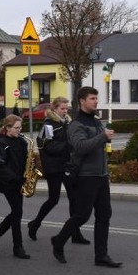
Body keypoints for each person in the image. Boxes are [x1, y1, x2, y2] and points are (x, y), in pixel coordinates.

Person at [50, 86, 122, 268]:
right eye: (92, 98)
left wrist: (104, 139)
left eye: (96, 98)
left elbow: (98, 144)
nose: (96, 101)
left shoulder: (96, 122)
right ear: (82, 101)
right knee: (82, 215)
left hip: (101, 175)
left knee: (105, 214)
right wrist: (103, 137)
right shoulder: (76, 125)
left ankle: (101, 255)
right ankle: (59, 240)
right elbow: (80, 147)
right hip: (85, 176)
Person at [27, 97, 89, 244]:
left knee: (74, 199)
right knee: (53, 199)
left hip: (67, 166)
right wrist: (67, 145)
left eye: (66, 108)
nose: (65, 111)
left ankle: (75, 233)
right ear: (54, 109)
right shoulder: (49, 125)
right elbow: (46, 146)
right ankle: (35, 224)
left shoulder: (67, 123)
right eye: (62, 108)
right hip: (53, 167)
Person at [0, 115, 31, 259]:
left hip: (19, 181)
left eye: (20, 127)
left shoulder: (21, 142)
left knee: (16, 212)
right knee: (17, 211)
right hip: (7, 182)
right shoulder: (0, 144)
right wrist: (15, 177)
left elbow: (25, 160)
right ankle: (17, 247)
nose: (19, 131)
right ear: (7, 128)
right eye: (16, 128)